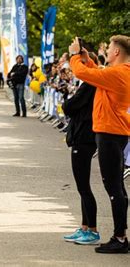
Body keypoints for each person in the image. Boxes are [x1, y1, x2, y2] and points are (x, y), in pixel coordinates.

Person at [69, 35, 130, 254]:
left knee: (114, 188)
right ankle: (120, 235)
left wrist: (76, 56)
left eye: (110, 47)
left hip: (110, 133)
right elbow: (98, 74)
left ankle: (120, 237)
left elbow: (81, 74)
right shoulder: (119, 73)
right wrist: (88, 60)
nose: (107, 50)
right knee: (117, 187)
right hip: (113, 132)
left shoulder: (119, 73)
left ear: (116, 53)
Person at [62, 79, 99, 245]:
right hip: (85, 135)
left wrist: (70, 101)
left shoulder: (90, 83)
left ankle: (92, 229)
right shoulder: (92, 83)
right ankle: (85, 227)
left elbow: (70, 106)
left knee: (84, 186)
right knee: (82, 187)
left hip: (84, 136)